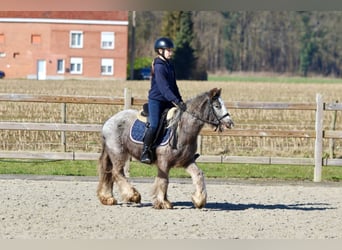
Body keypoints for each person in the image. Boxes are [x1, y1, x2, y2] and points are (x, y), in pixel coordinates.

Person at [140, 37, 187, 164]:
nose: (171, 53)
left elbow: (173, 85)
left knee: (181, 120)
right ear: (160, 51)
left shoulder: (169, 65)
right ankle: (146, 150)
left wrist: (180, 101)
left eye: (171, 50)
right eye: (168, 50)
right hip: (156, 100)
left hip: (167, 99)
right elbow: (163, 87)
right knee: (154, 124)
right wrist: (175, 101)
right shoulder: (159, 66)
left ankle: (184, 152)